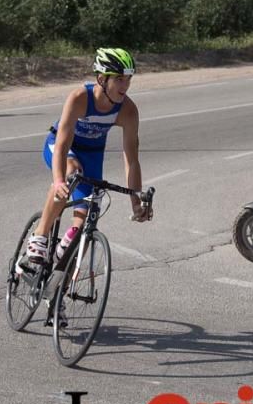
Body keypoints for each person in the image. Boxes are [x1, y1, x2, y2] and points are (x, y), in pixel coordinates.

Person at [19, 48, 153, 275]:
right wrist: (59, 180)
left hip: (92, 154)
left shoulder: (128, 110)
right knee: (71, 172)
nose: (125, 85)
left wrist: (136, 202)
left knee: (85, 223)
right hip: (63, 148)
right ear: (102, 78)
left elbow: (131, 159)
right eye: (119, 79)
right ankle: (40, 236)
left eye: (128, 79)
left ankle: (56, 291)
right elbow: (61, 143)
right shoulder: (80, 98)